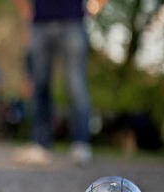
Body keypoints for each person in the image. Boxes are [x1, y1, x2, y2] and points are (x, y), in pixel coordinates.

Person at [12, 0, 102, 165]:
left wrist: (95, 5)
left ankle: (81, 143)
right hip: (39, 22)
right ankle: (40, 143)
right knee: (40, 84)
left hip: (73, 21)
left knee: (75, 84)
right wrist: (26, 10)